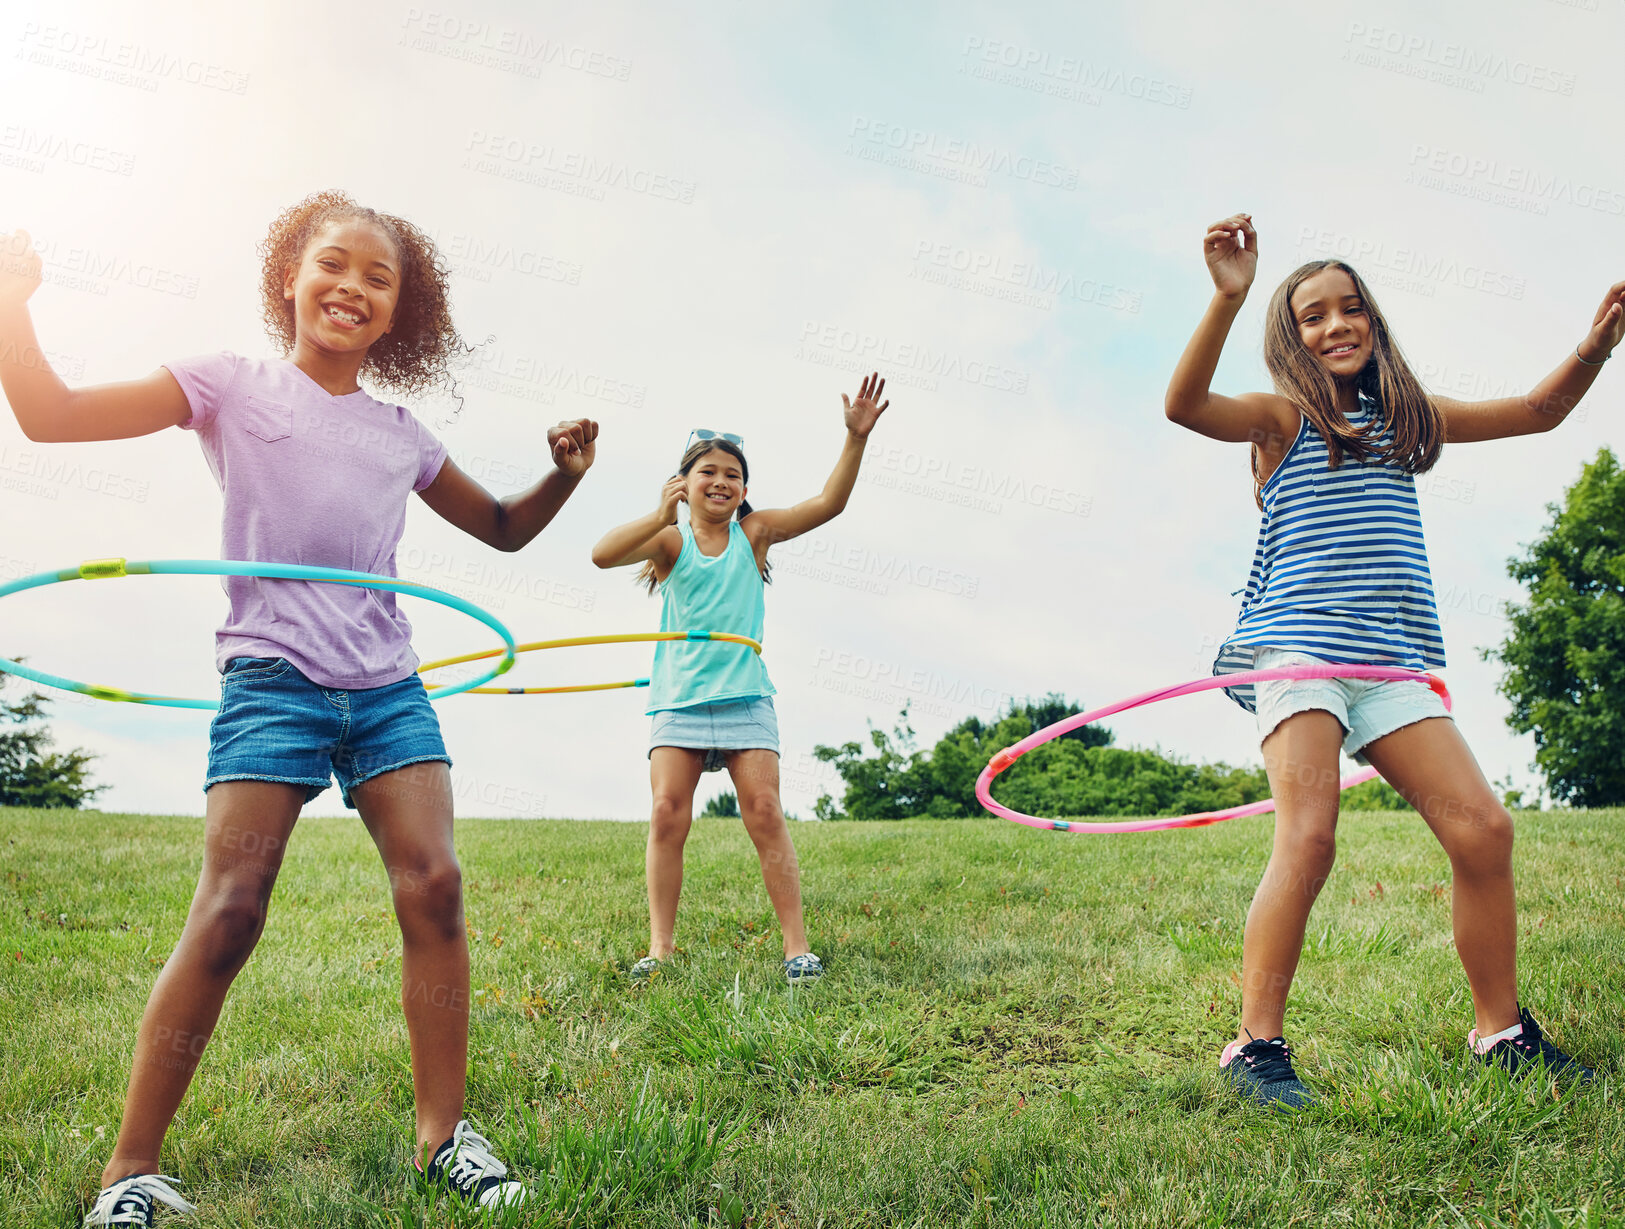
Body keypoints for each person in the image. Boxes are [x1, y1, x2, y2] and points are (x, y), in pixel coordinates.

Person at [0, 191, 598, 1223]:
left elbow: (501, 528)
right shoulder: (226, 384)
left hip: (385, 682)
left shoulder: (399, 434)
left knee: (436, 883)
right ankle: (129, 1170)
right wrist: (12, 300)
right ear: (289, 275)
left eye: (379, 279)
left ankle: (443, 1133)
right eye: (335, 264)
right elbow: (50, 416)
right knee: (230, 908)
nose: (352, 287)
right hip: (272, 675)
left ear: (400, 313)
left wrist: (561, 476)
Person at [1163, 212, 1616, 1108]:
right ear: (1290, 339)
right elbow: (1183, 406)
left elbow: (1538, 412)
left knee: (1483, 831)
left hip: (1392, 661)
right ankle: (1253, 1046)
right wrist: (1226, 298)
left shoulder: (1407, 422)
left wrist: (1597, 345)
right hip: (1298, 651)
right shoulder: (1280, 419)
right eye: (1311, 317)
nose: (1334, 327)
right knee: (1310, 833)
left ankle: (1502, 1034)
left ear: (1372, 321)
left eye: (1349, 310)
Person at [592, 375, 890, 985]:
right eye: (707, 472)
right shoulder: (670, 542)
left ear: (744, 488)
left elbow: (828, 505)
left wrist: (855, 439)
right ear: (685, 482)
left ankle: (796, 950)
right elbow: (601, 554)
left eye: (732, 473)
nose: (721, 481)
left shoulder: (754, 536)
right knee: (667, 814)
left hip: (746, 698)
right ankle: (661, 950)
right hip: (678, 701)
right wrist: (658, 512)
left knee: (764, 810)